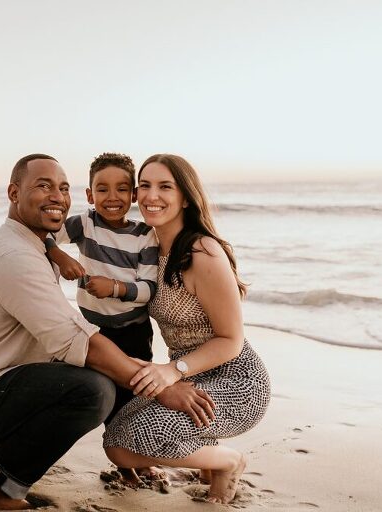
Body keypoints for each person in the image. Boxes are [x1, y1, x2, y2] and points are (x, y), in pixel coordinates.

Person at [0, 154, 215, 510]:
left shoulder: (29, 244)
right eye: (44, 186)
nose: (57, 196)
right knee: (92, 392)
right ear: (13, 193)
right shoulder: (16, 257)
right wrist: (164, 388)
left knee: (95, 379)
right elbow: (81, 343)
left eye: (63, 188)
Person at [103, 154, 271, 504]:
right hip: (187, 377)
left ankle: (228, 462)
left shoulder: (202, 252)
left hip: (235, 378)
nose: (152, 196)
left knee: (130, 447)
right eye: (145, 186)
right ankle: (205, 459)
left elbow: (232, 340)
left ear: (185, 197)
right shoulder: (145, 248)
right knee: (115, 441)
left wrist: (172, 370)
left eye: (165, 186)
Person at [45, 152, 159, 483]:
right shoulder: (84, 224)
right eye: (103, 189)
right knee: (108, 399)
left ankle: (141, 455)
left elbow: (148, 288)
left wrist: (116, 288)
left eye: (122, 189)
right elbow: (45, 232)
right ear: (90, 195)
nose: (113, 198)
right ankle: (126, 468)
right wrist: (58, 256)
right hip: (94, 331)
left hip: (135, 331)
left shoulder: (144, 235)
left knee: (136, 396)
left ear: (134, 195)